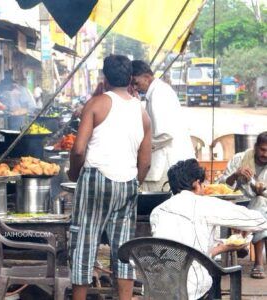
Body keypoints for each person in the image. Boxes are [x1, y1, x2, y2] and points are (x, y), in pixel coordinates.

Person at [67, 54, 152, 300]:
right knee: (123, 247)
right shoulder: (142, 112)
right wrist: (135, 183)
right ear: (129, 78)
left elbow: (79, 149)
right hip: (128, 182)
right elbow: (144, 162)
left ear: (104, 77)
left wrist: (74, 173)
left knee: (85, 241)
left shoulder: (96, 103)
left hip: (96, 178)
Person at [151, 159, 267, 299]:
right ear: (196, 184)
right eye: (203, 183)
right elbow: (259, 221)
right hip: (193, 292)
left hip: (159, 291)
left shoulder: (157, 211)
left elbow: (179, 251)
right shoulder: (204, 204)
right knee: (214, 274)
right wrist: (243, 233)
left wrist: (221, 248)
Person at [131, 60, 194, 192]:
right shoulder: (157, 91)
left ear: (147, 77)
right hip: (167, 166)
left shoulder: (158, 93)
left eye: (136, 83)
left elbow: (165, 135)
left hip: (166, 167)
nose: (135, 87)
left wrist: (142, 148)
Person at [218, 131, 267, 279]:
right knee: (260, 208)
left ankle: (244, 243)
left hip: (261, 208)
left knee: (260, 203)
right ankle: (257, 262)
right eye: (263, 150)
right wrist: (235, 175)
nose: (265, 154)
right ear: (255, 147)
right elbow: (221, 187)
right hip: (237, 206)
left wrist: (261, 191)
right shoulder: (240, 159)